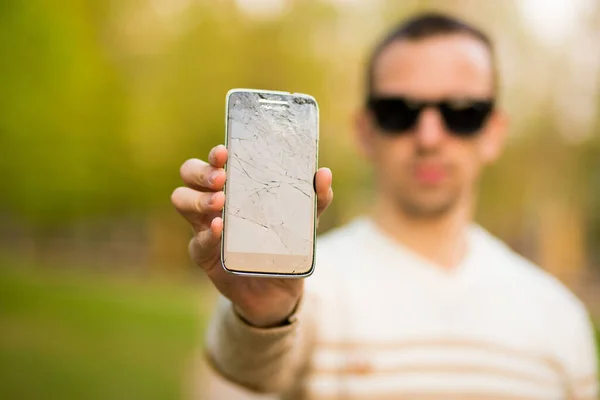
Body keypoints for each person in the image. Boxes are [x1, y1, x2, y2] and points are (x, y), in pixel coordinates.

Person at [171, 12, 598, 400]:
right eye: (399, 112)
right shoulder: (299, 287)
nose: (429, 136)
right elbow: (243, 372)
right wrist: (261, 320)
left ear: (494, 131)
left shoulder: (561, 318)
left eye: (461, 112)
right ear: (365, 130)